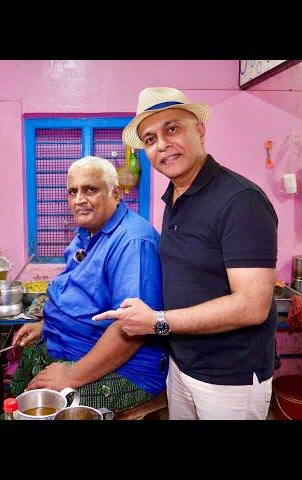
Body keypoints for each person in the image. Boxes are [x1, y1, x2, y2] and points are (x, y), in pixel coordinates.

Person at [93, 87, 279, 420]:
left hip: (228, 379)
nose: (161, 144)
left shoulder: (240, 200)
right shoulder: (175, 199)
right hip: (181, 366)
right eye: (149, 139)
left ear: (200, 131)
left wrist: (157, 322)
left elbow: (252, 306)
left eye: (172, 128)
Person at [10, 156, 167, 412]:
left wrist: (70, 377)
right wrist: (47, 323)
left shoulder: (132, 242)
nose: (78, 200)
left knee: (39, 409)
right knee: (16, 397)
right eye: (73, 191)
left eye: (90, 190)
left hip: (128, 369)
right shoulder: (87, 233)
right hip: (70, 347)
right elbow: (80, 295)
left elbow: (131, 329)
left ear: (115, 193)